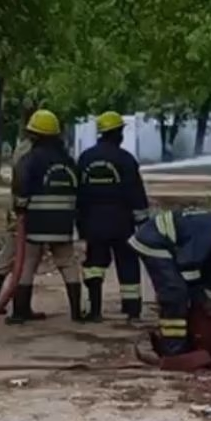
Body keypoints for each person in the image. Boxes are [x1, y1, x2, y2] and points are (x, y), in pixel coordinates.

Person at [129, 209, 211, 356]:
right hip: (153, 241)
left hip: (169, 243)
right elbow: (187, 269)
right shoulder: (208, 238)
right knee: (175, 292)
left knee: (190, 295)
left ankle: (187, 338)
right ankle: (173, 348)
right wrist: (202, 299)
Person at [8, 109, 83, 324]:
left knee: (27, 263)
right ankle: (77, 312)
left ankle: (20, 312)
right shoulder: (69, 161)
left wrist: (19, 208)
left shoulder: (29, 159)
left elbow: (21, 187)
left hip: (35, 222)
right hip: (63, 222)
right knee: (67, 263)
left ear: (35, 135)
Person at [76, 111, 149, 322]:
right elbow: (136, 193)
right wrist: (143, 222)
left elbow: (78, 193)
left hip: (93, 222)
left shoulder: (85, 158)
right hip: (121, 222)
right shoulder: (125, 159)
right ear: (117, 133)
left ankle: (95, 310)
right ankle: (132, 311)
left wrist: (79, 223)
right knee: (127, 263)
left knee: (95, 266)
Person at [0, 135, 32, 315]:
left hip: (18, 210)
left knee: (13, 259)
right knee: (10, 258)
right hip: (21, 212)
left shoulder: (24, 147)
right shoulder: (28, 151)